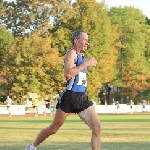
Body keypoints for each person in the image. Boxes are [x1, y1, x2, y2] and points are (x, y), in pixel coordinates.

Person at [25, 30, 101, 150]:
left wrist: (85, 63)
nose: (87, 43)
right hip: (70, 97)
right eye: (85, 40)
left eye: (87, 40)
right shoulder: (71, 53)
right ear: (76, 41)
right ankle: (32, 147)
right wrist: (86, 64)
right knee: (54, 128)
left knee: (97, 128)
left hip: (81, 97)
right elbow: (68, 74)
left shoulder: (82, 56)